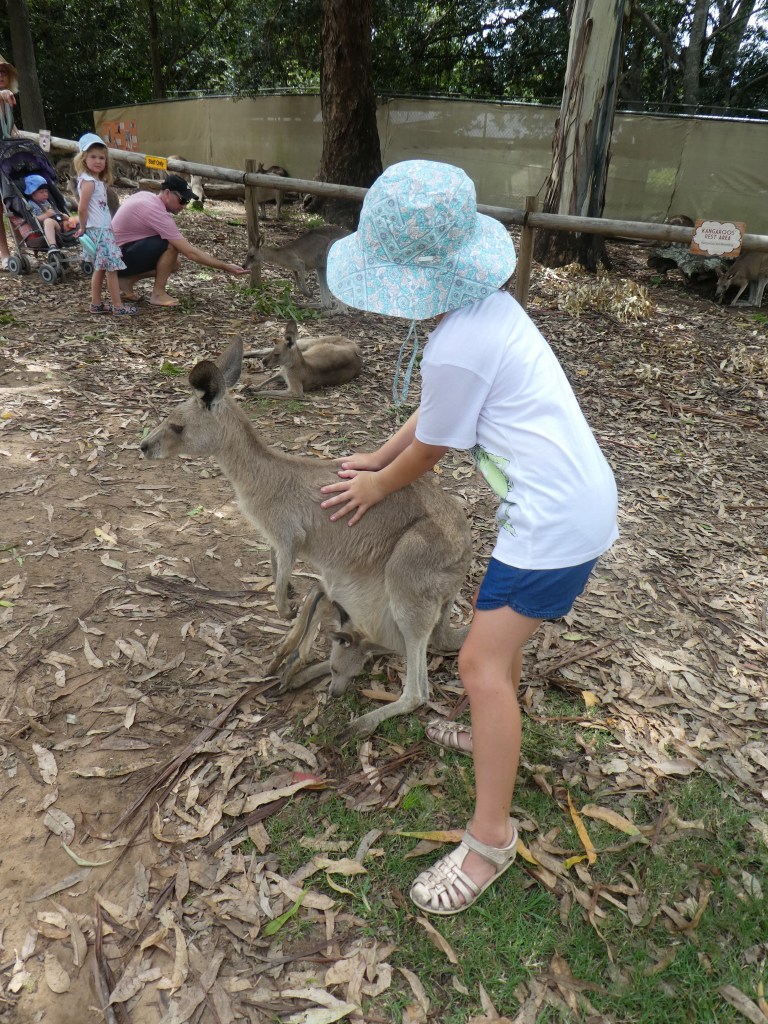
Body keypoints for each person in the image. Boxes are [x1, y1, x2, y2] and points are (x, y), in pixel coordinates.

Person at [319, 160, 619, 916]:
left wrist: (377, 484)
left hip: (552, 522)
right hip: (565, 504)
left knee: (479, 663)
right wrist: (378, 456)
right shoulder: (485, 309)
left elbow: (435, 445)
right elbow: (434, 411)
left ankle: (489, 841)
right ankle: (495, 732)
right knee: (496, 649)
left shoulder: (457, 343)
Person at [112, 173, 248, 306]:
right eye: (182, 200)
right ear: (167, 193)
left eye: (187, 201)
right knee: (172, 245)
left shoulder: (146, 196)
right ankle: (158, 294)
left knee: (174, 263)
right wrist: (225, 266)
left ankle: (126, 280)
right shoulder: (156, 212)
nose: (184, 206)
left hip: (115, 256)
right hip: (115, 258)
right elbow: (190, 253)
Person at [74, 132, 137, 316]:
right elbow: (82, 208)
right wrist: (83, 227)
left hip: (101, 230)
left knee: (100, 268)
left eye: (101, 157)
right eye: (93, 157)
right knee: (111, 269)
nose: (98, 161)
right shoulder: (88, 182)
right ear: (84, 158)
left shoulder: (95, 181)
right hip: (99, 231)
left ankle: (96, 304)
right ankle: (118, 306)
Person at [0, 55, 19, 269]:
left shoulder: (8, 100)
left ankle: (21, 250)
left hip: (6, 156)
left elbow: (10, 129)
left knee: (14, 202)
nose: (1, 75)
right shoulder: (3, 96)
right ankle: (4, 254)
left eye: (3, 71)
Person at [22, 174, 65, 253]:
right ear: (32, 193)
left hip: (58, 223)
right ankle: (52, 245)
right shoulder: (31, 204)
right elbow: (34, 220)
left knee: (74, 218)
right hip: (44, 227)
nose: (45, 194)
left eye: (46, 191)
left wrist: (62, 215)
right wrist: (47, 215)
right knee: (48, 221)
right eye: (41, 192)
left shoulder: (47, 202)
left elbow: (55, 212)